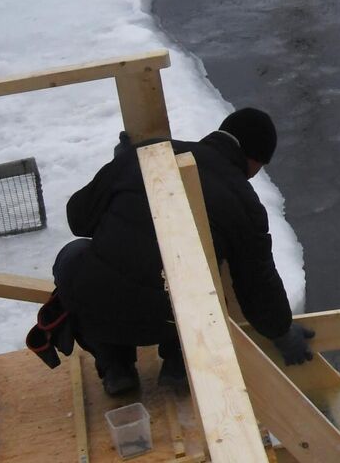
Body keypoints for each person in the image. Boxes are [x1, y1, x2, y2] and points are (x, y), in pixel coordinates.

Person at [52, 108, 314, 395]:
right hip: (169, 320)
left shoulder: (147, 154)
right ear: (255, 160)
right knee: (205, 286)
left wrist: (119, 171)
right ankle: (179, 367)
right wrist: (281, 332)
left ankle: (116, 367)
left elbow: (78, 218)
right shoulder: (244, 203)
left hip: (99, 311)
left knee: (74, 255)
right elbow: (257, 284)